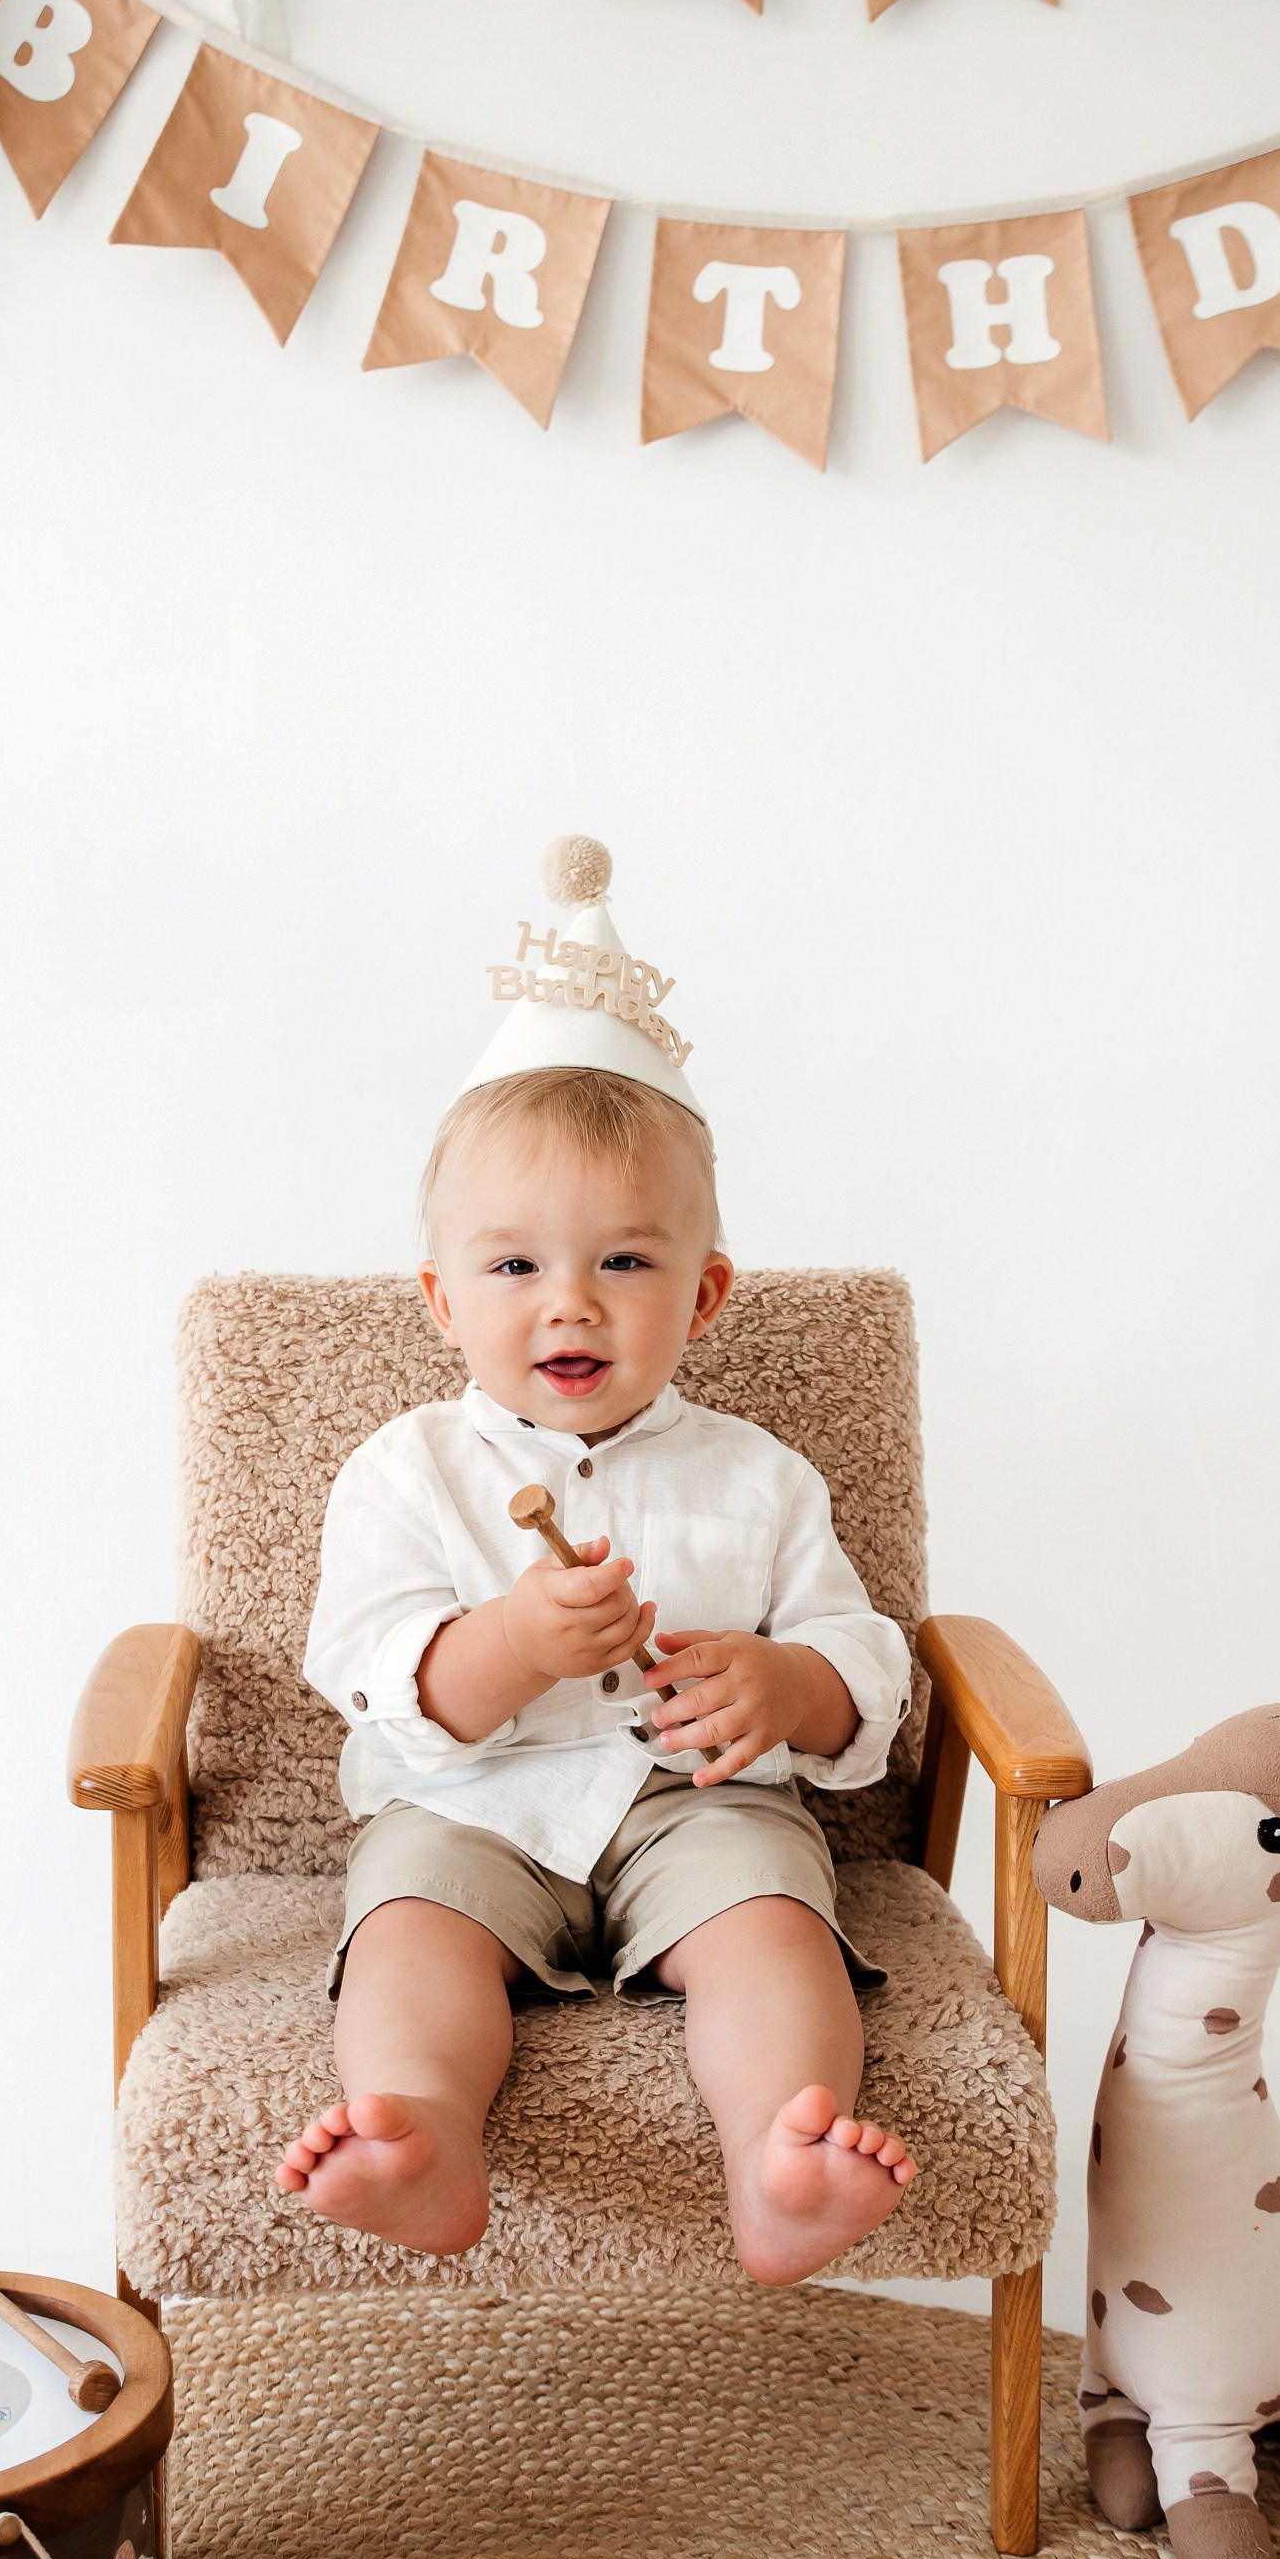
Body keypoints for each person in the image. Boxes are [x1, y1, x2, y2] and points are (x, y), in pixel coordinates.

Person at [277, 839, 917, 2282]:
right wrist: (503, 1647)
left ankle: (781, 2156)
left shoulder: (758, 1477)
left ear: (706, 1291)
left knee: (769, 1927)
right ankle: (426, 2139)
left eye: (624, 1264)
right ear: (444, 1300)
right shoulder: (407, 1471)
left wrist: (786, 1686)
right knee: (410, 1931)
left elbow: (865, 1658)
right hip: (475, 1805)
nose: (569, 1303)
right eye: (514, 1269)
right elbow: (368, 1666)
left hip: (696, 1811)